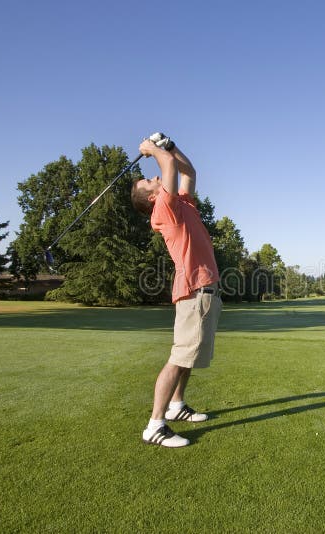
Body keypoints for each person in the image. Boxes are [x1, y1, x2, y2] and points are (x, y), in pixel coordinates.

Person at [130, 133, 222, 448]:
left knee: (188, 355)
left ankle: (177, 405)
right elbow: (167, 165)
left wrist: (170, 146)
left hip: (204, 290)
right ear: (152, 198)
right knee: (178, 357)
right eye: (147, 182)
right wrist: (153, 150)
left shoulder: (181, 204)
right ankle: (155, 425)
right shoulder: (163, 211)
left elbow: (188, 172)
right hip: (194, 291)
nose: (153, 177)